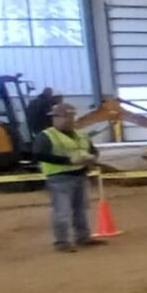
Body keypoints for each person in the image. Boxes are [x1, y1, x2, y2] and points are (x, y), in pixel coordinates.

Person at [32, 101, 101, 253]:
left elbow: (92, 149)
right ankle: (62, 242)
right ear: (55, 118)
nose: (68, 119)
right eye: (64, 116)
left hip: (80, 175)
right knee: (62, 211)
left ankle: (83, 237)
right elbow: (38, 154)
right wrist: (68, 161)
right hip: (59, 177)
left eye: (70, 116)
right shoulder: (46, 136)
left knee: (81, 209)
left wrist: (92, 157)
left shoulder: (81, 135)